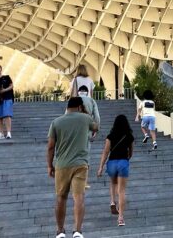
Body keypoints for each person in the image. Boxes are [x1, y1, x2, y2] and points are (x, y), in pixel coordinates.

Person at [47, 96, 97, 238]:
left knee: (61, 197)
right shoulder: (85, 119)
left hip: (62, 165)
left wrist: (49, 166)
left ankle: (60, 231)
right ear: (80, 107)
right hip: (81, 164)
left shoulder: (56, 122)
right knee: (79, 197)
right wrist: (86, 112)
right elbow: (96, 127)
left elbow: (50, 147)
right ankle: (77, 231)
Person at [96, 114, 134, 227]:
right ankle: (121, 218)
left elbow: (105, 152)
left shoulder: (110, 136)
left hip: (112, 162)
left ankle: (112, 202)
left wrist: (101, 167)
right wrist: (126, 159)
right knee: (121, 191)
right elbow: (131, 152)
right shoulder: (129, 136)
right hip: (123, 162)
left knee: (113, 183)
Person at [0, 64, 14, 139]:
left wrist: (4, 90)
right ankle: (1, 133)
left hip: (7, 98)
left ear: (1, 69)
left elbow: (11, 86)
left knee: (7, 115)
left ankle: (8, 132)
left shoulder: (6, 77)